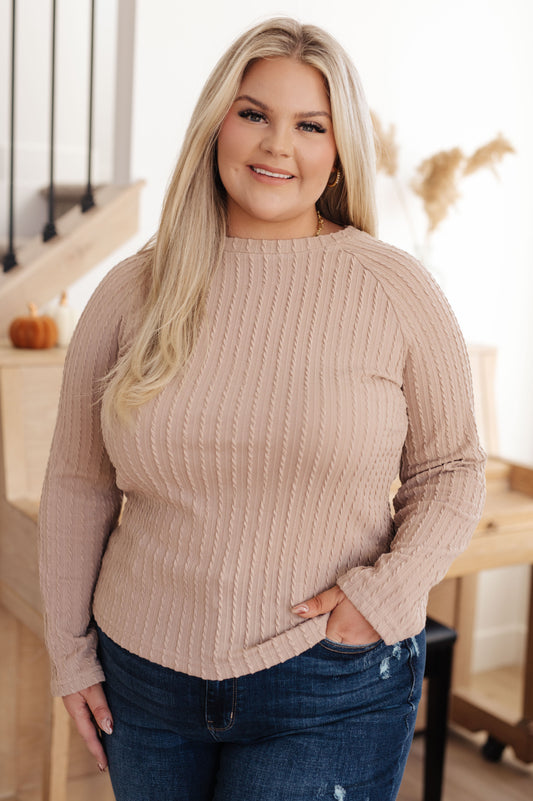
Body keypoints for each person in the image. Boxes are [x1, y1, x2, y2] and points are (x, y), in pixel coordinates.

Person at [39, 16, 486, 801]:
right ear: (217, 124)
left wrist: (380, 597)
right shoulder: (131, 290)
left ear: (338, 148)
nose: (278, 145)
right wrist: (69, 653)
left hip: (330, 680)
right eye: (254, 114)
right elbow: (79, 482)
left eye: (310, 125)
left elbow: (450, 469)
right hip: (143, 678)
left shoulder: (395, 289)